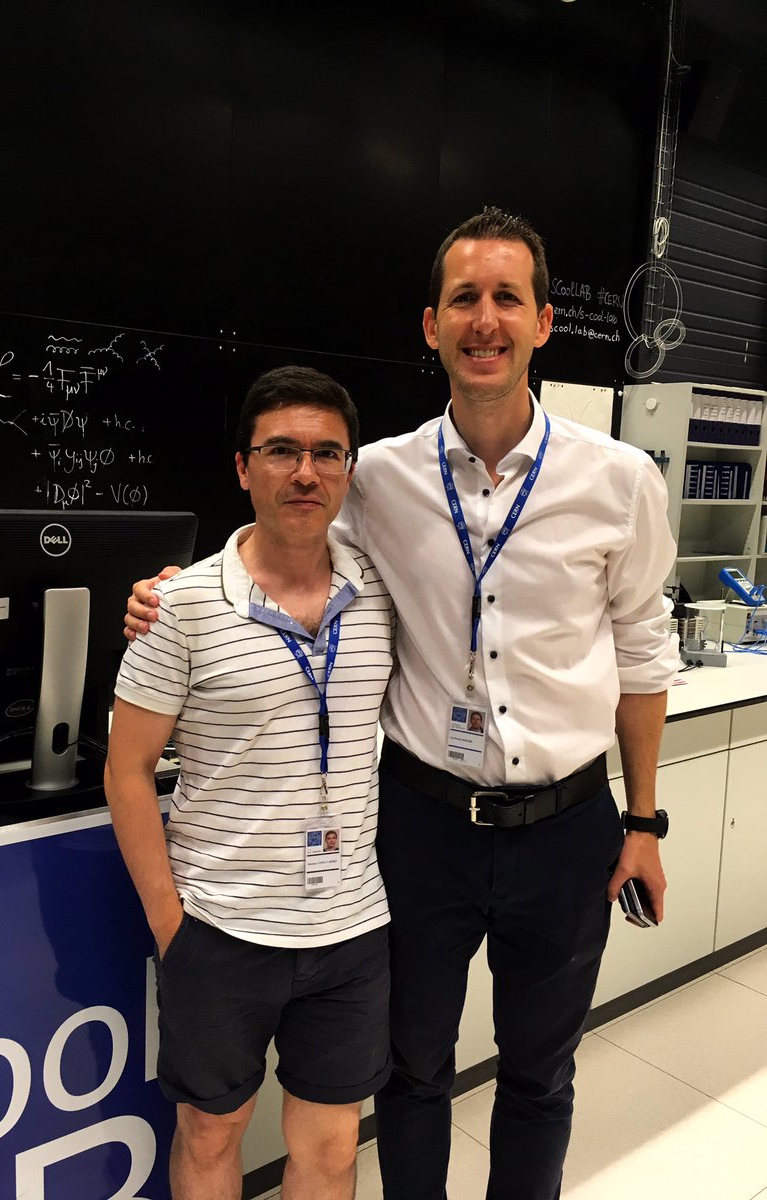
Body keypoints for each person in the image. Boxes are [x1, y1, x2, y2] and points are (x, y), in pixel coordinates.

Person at [125, 208, 678, 1200]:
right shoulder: (377, 477)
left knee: (540, 1075)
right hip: (424, 828)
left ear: (544, 322)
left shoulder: (622, 481)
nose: (485, 319)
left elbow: (643, 653)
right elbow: (288, 537)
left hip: (568, 829)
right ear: (432, 324)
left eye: (507, 297)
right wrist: (175, 586)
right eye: (464, 297)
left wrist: (642, 819)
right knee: (413, 1073)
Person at [105, 365, 395, 1200]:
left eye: (327, 453)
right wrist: (172, 925)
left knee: (335, 1146)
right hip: (220, 927)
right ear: (243, 467)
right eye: (281, 451)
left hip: (350, 928)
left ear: (348, 469)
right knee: (210, 1134)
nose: (305, 472)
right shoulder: (181, 607)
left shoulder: (382, 589)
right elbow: (126, 772)